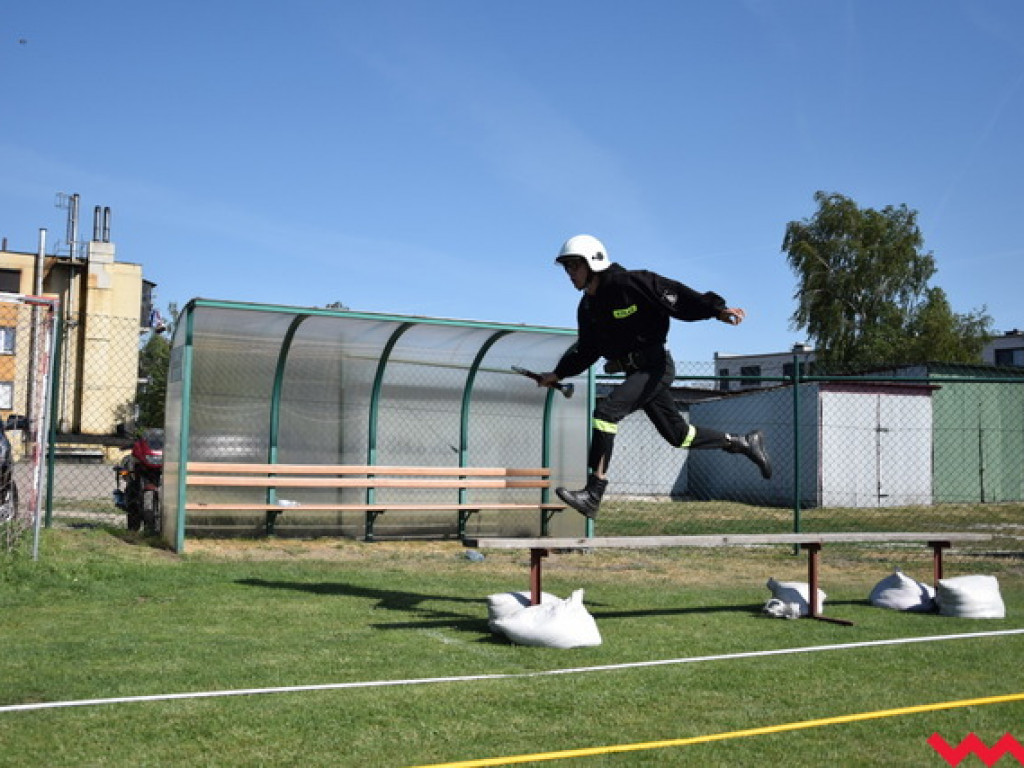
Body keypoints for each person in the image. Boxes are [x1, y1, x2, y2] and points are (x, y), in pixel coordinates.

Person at [537, 234, 771, 519]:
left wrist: (716, 309)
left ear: (593, 262)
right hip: (637, 373)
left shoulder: (631, 283)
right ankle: (742, 442)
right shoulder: (587, 308)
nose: (569, 273)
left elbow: (677, 295)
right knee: (679, 436)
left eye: (574, 266)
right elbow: (587, 350)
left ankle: (593, 492)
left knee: (606, 413)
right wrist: (557, 373)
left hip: (656, 367)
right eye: (566, 268)